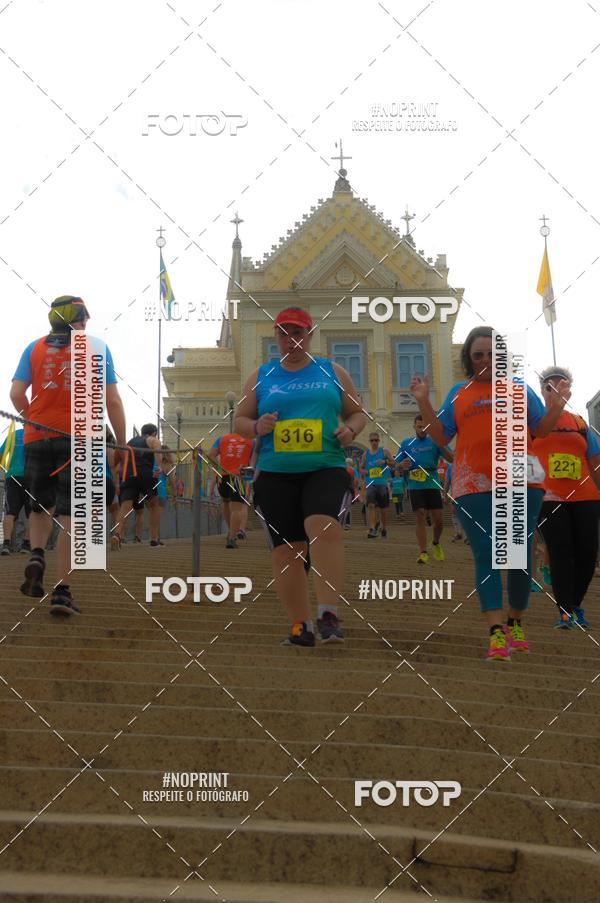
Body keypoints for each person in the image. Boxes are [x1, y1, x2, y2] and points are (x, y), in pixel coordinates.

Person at [410, 325, 570, 662]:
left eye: (491, 354)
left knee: (518, 555)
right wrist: (424, 402)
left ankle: (515, 621)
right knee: (485, 552)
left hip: (521, 479)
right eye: (477, 354)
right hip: (473, 482)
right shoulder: (459, 392)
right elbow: (440, 437)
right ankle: (496, 632)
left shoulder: (519, 389)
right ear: (469, 358)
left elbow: (540, 429)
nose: (484, 360)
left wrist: (557, 405)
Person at [235, 306, 366, 646]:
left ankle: (328, 614)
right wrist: (256, 426)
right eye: (283, 333)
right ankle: (300, 626)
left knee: (322, 526)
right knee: (286, 550)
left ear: (309, 336)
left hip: (325, 465)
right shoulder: (262, 375)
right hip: (276, 473)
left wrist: (350, 431)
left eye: (297, 333)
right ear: (275, 337)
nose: (290, 340)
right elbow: (239, 422)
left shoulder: (330, 370)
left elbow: (356, 412)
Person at [10, 296, 126, 614]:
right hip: (81, 439)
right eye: (85, 317)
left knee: (39, 508)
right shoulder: (97, 348)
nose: (87, 323)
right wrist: (122, 441)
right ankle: (62, 592)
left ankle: (36, 552)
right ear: (77, 321)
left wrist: (32, 416)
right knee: (72, 518)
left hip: (36, 436)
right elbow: (112, 402)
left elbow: (16, 394)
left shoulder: (33, 348)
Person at [532, 367, 600, 629]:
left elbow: (594, 462)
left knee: (587, 552)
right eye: (551, 386)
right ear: (543, 391)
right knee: (561, 552)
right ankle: (564, 612)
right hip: (549, 496)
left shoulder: (579, 423)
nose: (558, 390)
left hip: (585, 495)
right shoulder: (534, 423)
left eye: (563, 385)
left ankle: (574, 605)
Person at [396, 414, 453, 564]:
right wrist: (401, 465)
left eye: (425, 427)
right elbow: (395, 464)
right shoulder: (407, 443)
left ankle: (435, 542)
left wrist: (440, 444)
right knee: (420, 515)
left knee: (439, 520)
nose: (422, 429)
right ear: (414, 426)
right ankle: (423, 552)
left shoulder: (435, 441)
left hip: (432, 482)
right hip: (415, 483)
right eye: (419, 426)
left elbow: (452, 459)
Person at [117, 424, 163, 547]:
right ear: (154, 433)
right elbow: (157, 448)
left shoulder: (130, 441)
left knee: (125, 507)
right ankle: (154, 539)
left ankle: (117, 535)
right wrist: (158, 467)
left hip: (129, 474)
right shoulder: (152, 439)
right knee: (153, 505)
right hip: (146, 474)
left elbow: (120, 457)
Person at [208, 432, 255, 549]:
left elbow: (211, 455)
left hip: (223, 476)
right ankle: (232, 537)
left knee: (225, 502)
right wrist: (249, 480)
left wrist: (219, 468)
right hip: (238, 477)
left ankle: (230, 531)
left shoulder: (222, 438)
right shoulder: (252, 441)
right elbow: (254, 463)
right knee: (237, 508)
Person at [0, 427, 31, 555]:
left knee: (10, 512)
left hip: (12, 476)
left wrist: (8, 469)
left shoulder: (13, 435)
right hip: (31, 477)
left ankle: (6, 544)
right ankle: (26, 544)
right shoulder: (39, 435)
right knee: (32, 514)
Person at [360, 432, 395, 538]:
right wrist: (363, 472)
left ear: (379, 441)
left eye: (376, 440)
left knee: (383, 510)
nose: (374, 442)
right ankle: (372, 529)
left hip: (382, 483)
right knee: (370, 505)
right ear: (369, 442)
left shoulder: (384, 451)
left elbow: (393, 463)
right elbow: (361, 467)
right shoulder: (365, 454)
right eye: (372, 440)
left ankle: (383, 528)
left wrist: (384, 462)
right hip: (371, 483)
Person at [443, 462, 463, 542]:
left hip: (464, 492)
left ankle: (464, 535)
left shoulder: (451, 466)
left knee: (458, 513)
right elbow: (447, 482)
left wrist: (445, 496)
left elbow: (447, 482)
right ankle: (459, 533)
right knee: (455, 513)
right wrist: (445, 495)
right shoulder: (451, 466)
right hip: (456, 493)